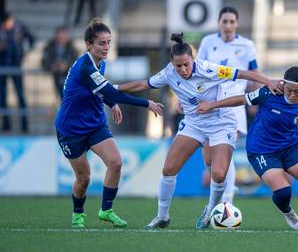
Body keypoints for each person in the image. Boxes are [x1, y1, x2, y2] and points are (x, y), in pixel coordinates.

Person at [115, 33, 280, 230]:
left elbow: (243, 73)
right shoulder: (169, 73)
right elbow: (144, 84)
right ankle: (162, 216)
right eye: (179, 66)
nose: (183, 69)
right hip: (194, 123)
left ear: (193, 59)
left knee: (218, 174)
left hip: (221, 122)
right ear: (172, 63)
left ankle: (210, 209)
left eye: (187, 64)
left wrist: (267, 82)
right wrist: (112, 88)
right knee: (169, 169)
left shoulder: (209, 69)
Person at [197, 63, 298, 231]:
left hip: (290, 148)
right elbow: (241, 99)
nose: (293, 95)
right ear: (283, 84)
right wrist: (211, 105)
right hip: (261, 150)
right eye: (289, 90)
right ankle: (287, 211)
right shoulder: (269, 92)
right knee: (283, 193)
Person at [55, 18, 164, 228]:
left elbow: (100, 92)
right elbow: (111, 91)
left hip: (95, 123)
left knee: (115, 162)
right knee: (84, 178)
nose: (106, 47)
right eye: (101, 43)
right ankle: (78, 214)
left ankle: (106, 210)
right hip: (71, 129)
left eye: (108, 42)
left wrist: (111, 102)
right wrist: (146, 103)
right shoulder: (85, 67)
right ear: (89, 44)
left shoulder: (100, 63)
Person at [196, 6, 260, 204]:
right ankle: (224, 188)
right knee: (209, 158)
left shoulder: (247, 45)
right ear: (219, 23)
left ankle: (227, 200)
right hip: (210, 102)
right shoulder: (208, 42)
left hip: (235, 103)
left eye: (232, 22)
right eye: (225, 21)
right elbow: (197, 71)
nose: (228, 25)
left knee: (225, 151)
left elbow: (254, 73)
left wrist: (255, 99)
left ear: (237, 24)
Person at [0, 12, 35, 133]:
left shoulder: (20, 27)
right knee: (2, 96)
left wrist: (24, 52)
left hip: (16, 64)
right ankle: (6, 124)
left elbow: (31, 39)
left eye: (7, 24)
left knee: (20, 95)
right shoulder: (2, 28)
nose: (5, 26)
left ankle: (24, 125)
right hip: (2, 66)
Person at [42, 26, 79, 100]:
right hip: (57, 77)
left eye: (63, 36)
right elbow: (44, 62)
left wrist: (66, 66)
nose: (61, 38)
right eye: (59, 36)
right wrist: (52, 66)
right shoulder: (49, 47)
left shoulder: (72, 48)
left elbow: (76, 62)